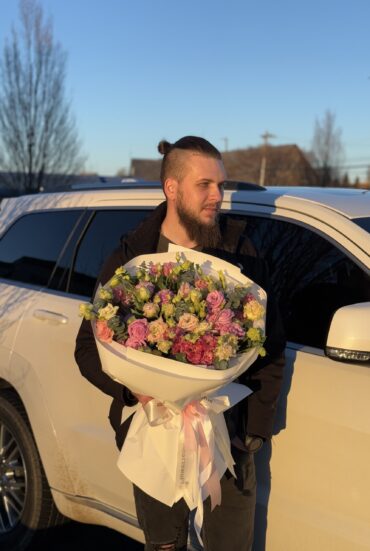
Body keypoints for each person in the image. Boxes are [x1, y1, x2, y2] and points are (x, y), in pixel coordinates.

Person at [75, 136, 285, 551]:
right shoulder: (132, 255)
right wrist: (132, 389)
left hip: (227, 440)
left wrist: (254, 434)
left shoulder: (241, 252)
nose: (218, 197)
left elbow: (272, 345)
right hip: (154, 431)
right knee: (164, 545)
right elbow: (87, 346)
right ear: (171, 188)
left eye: (221, 186)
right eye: (204, 184)